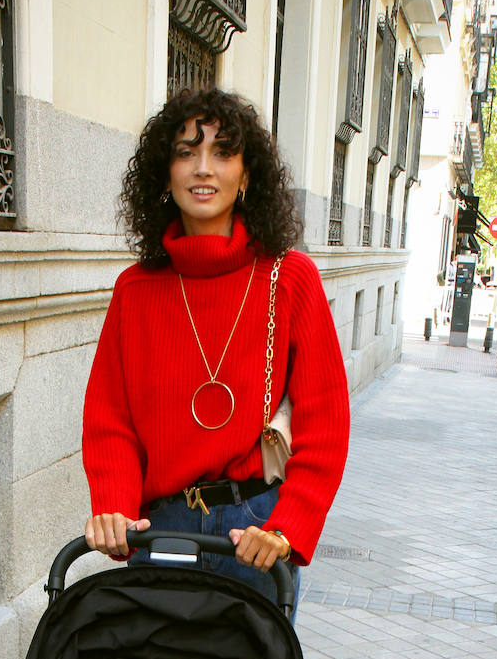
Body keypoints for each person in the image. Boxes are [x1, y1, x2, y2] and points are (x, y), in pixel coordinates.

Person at [82, 87, 350, 610]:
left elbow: (326, 422)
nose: (203, 168)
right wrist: (113, 507)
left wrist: (287, 528)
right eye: (186, 152)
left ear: (246, 176)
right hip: (161, 530)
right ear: (165, 174)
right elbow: (110, 417)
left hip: (255, 532)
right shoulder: (136, 290)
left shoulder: (289, 279)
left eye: (223, 152)